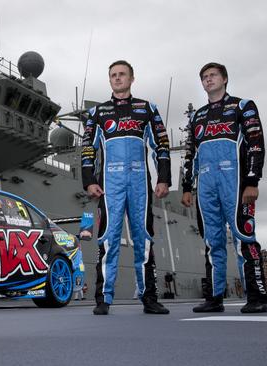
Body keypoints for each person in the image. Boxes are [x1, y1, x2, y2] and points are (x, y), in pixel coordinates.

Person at [81, 60, 171, 315]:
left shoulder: (147, 109)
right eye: (113, 75)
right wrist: (89, 181)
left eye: (122, 75)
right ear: (109, 80)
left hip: (140, 183)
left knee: (144, 239)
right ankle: (103, 299)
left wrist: (163, 178)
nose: (117, 78)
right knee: (108, 239)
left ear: (132, 79)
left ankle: (149, 296)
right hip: (110, 186)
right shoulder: (97, 113)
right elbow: (89, 149)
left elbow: (161, 146)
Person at [181, 62, 267, 313]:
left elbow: (255, 143)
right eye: (205, 77)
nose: (209, 80)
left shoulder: (243, 107)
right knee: (212, 241)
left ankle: (256, 296)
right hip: (206, 186)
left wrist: (252, 181)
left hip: (237, 183)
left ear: (225, 79)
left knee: (244, 236)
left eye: (213, 76)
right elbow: (190, 154)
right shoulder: (198, 116)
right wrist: (187, 186)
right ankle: (215, 297)